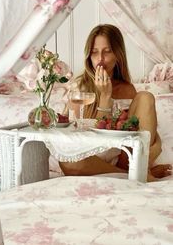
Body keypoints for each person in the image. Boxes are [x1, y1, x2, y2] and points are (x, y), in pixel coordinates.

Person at [59, 24, 172, 181]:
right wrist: (105, 96)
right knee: (68, 160)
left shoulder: (128, 89)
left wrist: (157, 146)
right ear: (88, 56)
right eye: (94, 53)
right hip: (90, 157)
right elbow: (77, 136)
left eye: (107, 52)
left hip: (123, 158)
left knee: (146, 96)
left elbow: (140, 132)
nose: (100, 59)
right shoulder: (79, 88)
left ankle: (131, 172)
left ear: (118, 54)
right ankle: (136, 176)